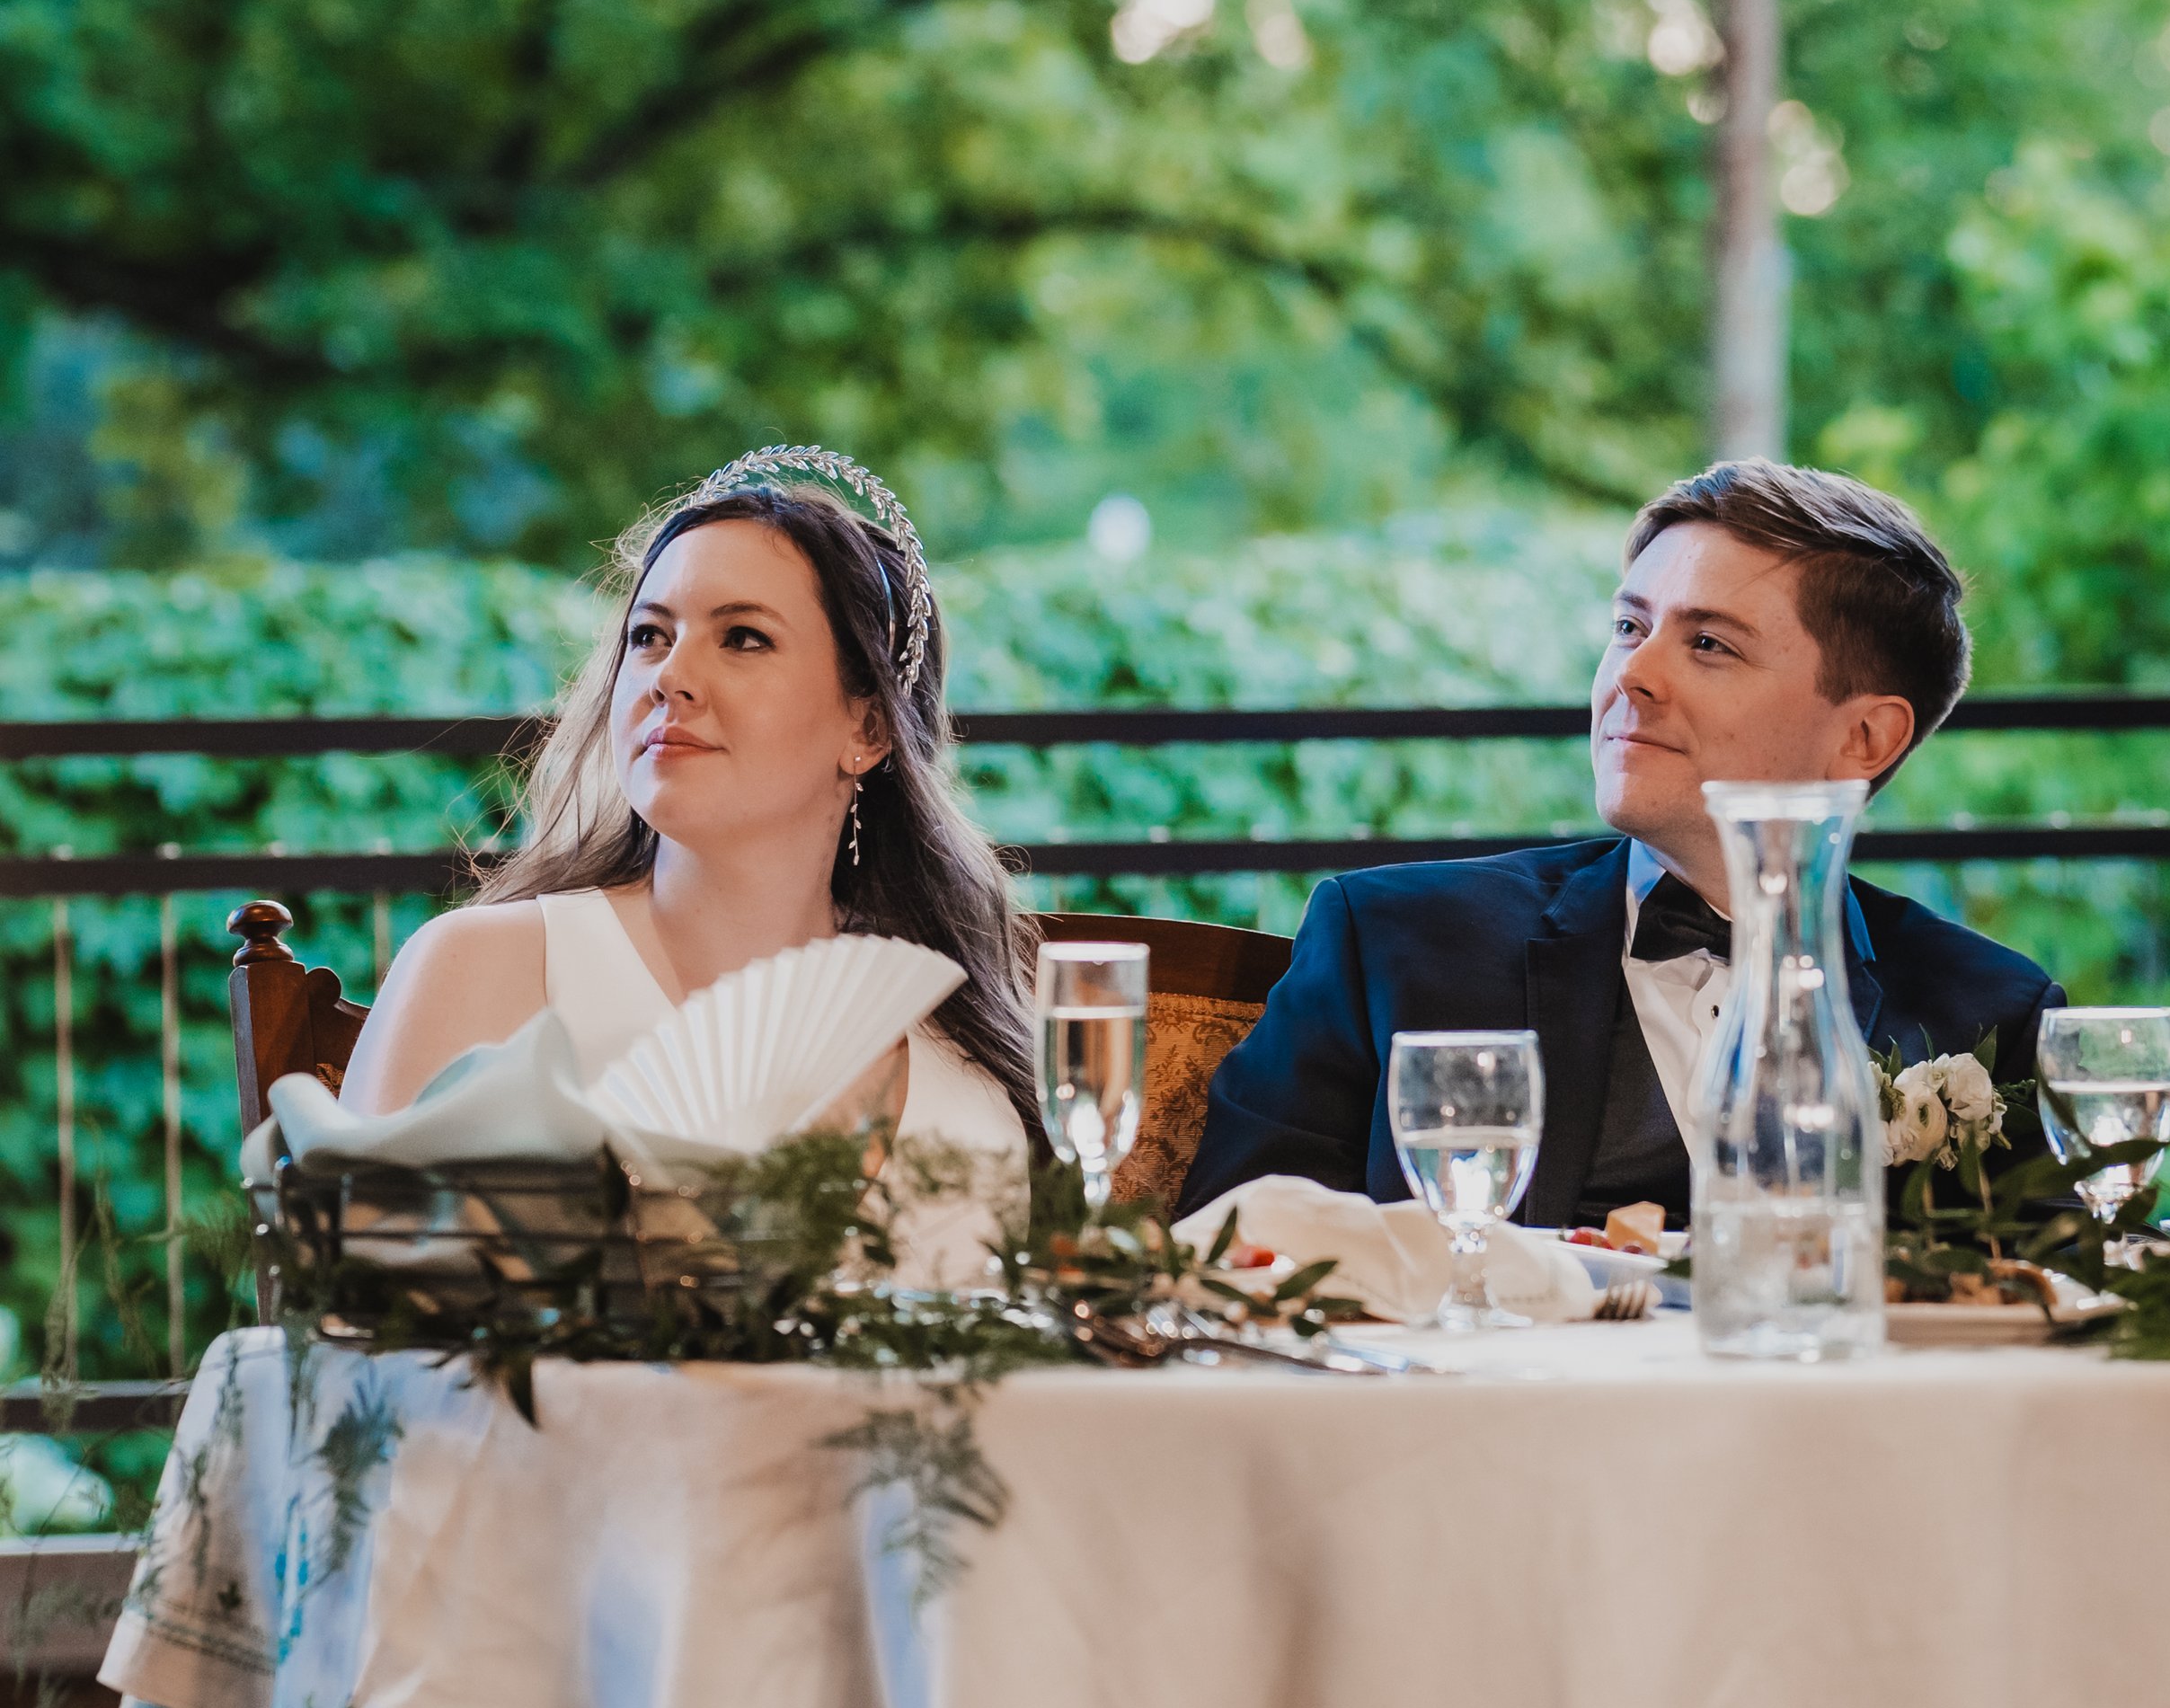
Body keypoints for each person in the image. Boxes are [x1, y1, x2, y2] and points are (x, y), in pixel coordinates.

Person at [1178, 461, 2063, 1229]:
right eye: (1629, 627)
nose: (1632, 675)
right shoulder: (1393, 943)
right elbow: (1230, 1255)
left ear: (1864, 739)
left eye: (1708, 644)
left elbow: (2060, 1321)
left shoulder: (1991, 1015)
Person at [343, 446, 1039, 1174]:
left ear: (867, 729)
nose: (670, 676)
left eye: (743, 638)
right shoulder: (478, 967)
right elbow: (351, 1278)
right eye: (650, 635)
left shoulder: (967, 1038)